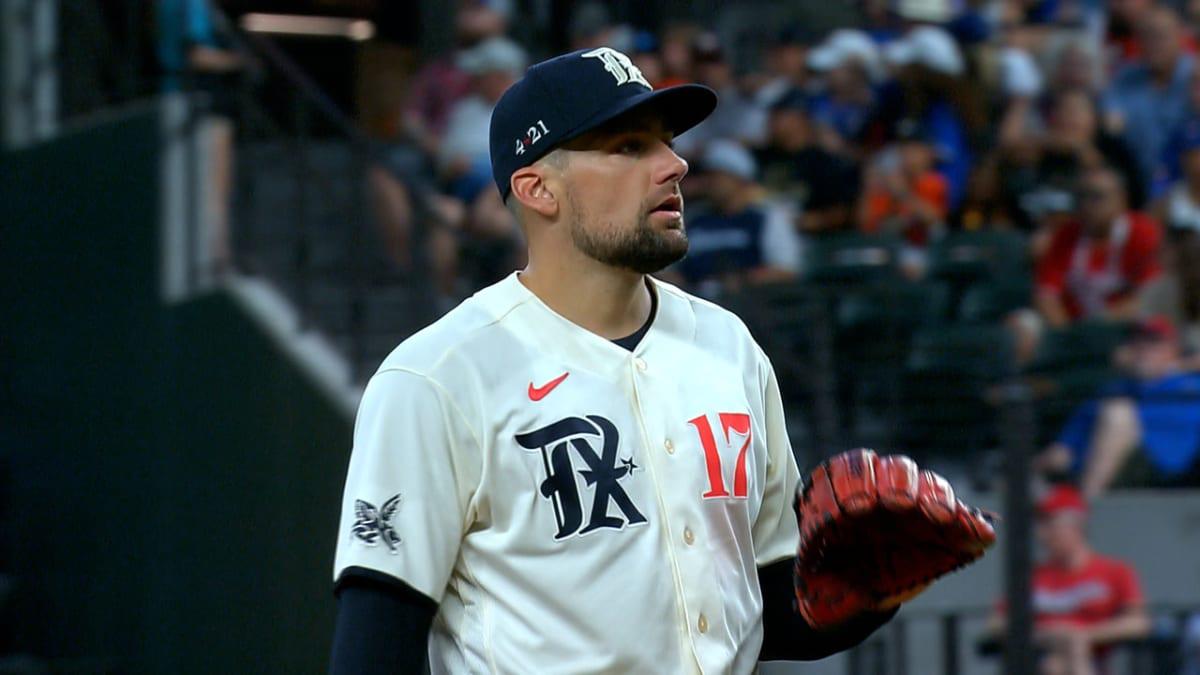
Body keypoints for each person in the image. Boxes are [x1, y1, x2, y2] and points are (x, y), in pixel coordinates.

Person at [328, 47, 984, 675]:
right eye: (629, 147)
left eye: (667, 142)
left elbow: (770, 615)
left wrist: (866, 592)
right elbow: (377, 639)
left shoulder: (731, 350)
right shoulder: (440, 377)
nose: (674, 165)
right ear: (537, 189)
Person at [986, 485, 1150, 675]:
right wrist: (1047, 634)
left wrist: (1084, 635)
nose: (1042, 535)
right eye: (1040, 525)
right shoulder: (1030, 578)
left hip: (1096, 659)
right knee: (1053, 666)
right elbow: (996, 623)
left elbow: (1138, 623)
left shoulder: (1115, 571)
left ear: (1076, 525)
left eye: (1050, 524)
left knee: (1062, 661)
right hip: (1041, 657)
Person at [1036, 316, 1200, 496]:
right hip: (1102, 466)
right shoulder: (1115, 388)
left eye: (1154, 342)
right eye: (1137, 341)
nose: (1143, 348)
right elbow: (1065, 448)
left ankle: (1087, 507)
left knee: (1118, 415)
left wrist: (1181, 366)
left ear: (1173, 350)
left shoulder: (1190, 386)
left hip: (1164, 470)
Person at [1034, 165, 1162, 328]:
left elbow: (1151, 295)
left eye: (1097, 197)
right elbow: (1046, 294)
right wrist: (1068, 333)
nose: (1087, 205)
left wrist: (1098, 325)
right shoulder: (1066, 234)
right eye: (1081, 197)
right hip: (1072, 328)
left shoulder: (1143, 232)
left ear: (1122, 199)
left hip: (1123, 328)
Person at [674, 139, 802, 296]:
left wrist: (742, 280)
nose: (711, 182)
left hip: (754, 305)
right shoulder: (694, 220)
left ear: (739, 179)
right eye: (708, 176)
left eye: (718, 176)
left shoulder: (765, 218)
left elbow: (786, 271)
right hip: (694, 303)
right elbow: (672, 271)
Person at [1103, 6, 1196, 199]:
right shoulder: (1124, 78)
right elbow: (1112, 126)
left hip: (1190, 186)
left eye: (1160, 35)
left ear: (1181, 36)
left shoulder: (1195, 75)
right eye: (1145, 36)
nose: (1152, 44)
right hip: (1139, 179)